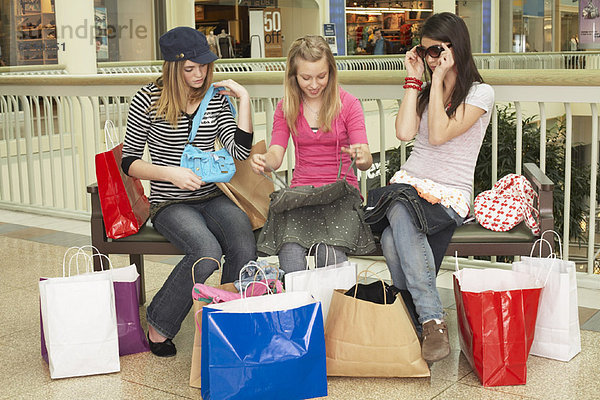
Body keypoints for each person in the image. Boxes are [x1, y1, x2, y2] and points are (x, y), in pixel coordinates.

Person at [121, 26, 256, 357]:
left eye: (203, 66)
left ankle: (229, 321)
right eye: (189, 68)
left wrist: (244, 100)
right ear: (171, 68)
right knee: (206, 251)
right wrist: (170, 174)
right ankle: (159, 324)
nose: (199, 74)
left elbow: (239, 152)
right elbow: (128, 162)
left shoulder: (215, 98)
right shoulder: (147, 100)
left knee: (242, 241)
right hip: (170, 202)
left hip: (213, 195)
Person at [381, 12, 494, 363]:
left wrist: (442, 77)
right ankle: (431, 321)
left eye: (436, 51)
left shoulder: (480, 93)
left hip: (449, 192)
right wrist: (415, 80)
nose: (430, 59)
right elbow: (403, 133)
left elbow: (440, 133)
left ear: (455, 47)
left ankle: (420, 317)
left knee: (393, 231)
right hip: (412, 184)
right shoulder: (427, 90)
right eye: (425, 51)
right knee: (395, 222)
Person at [250, 35, 374, 272]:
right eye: (306, 77)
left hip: (340, 195)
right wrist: (265, 161)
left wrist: (362, 156)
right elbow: (276, 154)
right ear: (294, 76)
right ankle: (303, 305)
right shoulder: (286, 106)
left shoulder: (349, 104)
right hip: (302, 194)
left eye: (321, 76)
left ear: (331, 72)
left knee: (330, 250)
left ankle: (330, 306)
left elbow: (365, 159)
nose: (314, 84)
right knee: (289, 249)